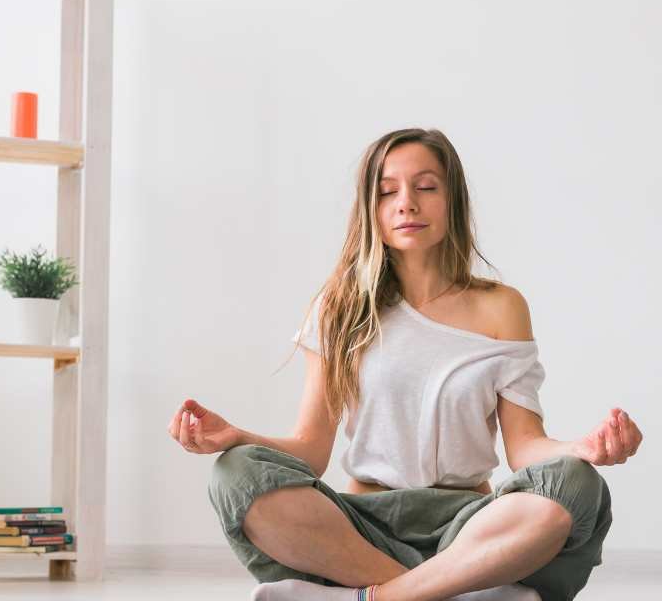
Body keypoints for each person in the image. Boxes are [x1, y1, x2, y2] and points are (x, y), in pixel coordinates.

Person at [167, 128, 643, 601]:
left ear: (452, 200)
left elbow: (524, 447)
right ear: (369, 209)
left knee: (577, 484)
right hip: (360, 528)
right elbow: (311, 450)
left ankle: (376, 597)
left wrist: (584, 448)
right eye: (387, 191)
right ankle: (454, 591)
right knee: (235, 472)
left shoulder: (502, 307)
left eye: (426, 187)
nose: (406, 204)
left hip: (471, 528)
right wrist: (236, 438)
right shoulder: (340, 306)